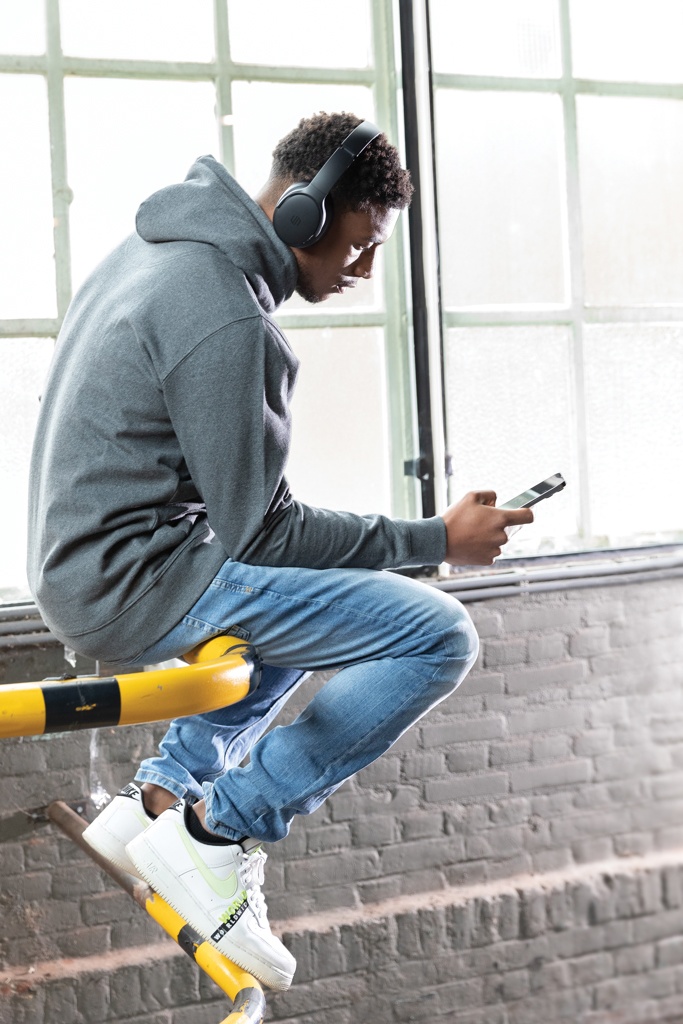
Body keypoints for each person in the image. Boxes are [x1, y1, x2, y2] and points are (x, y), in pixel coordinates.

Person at [27, 111, 533, 991]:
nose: (363, 271)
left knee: (306, 600)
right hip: (133, 582)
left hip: (95, 565)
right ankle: (217, 831)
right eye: (360, 244)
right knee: (437, 635)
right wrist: (435, 540)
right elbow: (266, 534)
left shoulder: (158, 249)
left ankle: (158, 799)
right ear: (306, 210)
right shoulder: (225, 313)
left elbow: (252, 528)